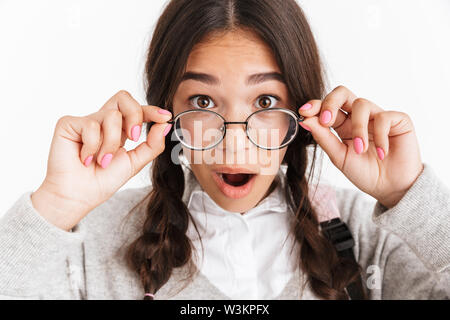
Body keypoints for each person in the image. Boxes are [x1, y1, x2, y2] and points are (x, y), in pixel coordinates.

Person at [1, 0, 449, 300]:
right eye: (202, 102)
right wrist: (55, 207)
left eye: (266, 102)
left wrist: (411, 196)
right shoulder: (90, 242)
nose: (235, 143)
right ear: (165, 112)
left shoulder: (371, 240)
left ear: (305, 111)